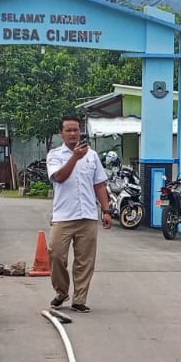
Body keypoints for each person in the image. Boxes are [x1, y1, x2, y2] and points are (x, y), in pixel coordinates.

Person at [46, 114, 112, 313]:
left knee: (85, 260)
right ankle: (61, 291)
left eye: (76, 130)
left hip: (88, 216)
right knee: (56, 255)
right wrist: (74, 158)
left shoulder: (92, 156)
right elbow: (58, 177)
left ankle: (79, 299)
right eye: (68, 130)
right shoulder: (55, 155)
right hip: (63, 216)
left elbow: (99, 183)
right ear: (61, 133)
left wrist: (106, 210)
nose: (73, 133)